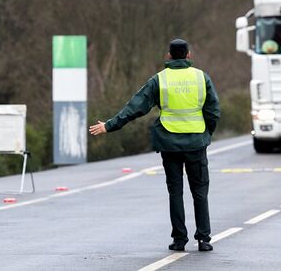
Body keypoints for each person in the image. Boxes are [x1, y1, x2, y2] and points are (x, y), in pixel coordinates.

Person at [89, 39, 220, 252]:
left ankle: (179, 240)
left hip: (169, 143)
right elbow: (213, 111)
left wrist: (110, 126)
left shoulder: (159, 80)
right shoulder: (201, 77)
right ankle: (204, 239)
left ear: (169, 56)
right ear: (189, 55)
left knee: (175, 192)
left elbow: (136, 107)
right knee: (199, 191)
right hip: (196, 143)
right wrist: (206, 134)